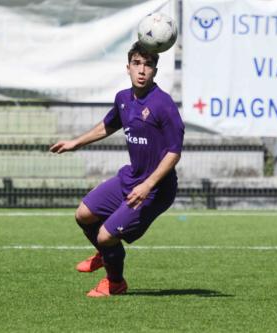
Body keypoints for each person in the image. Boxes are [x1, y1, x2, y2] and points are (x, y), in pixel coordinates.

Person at [50, 42, 184, 297]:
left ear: (155, 70)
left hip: (156, 188)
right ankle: (106, 254)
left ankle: (115, 282)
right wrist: (76, 143)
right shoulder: (123, 98)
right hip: (131, 177)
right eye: (137, 64)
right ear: (128, 68)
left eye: (148, 65)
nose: (142, 70)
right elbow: (108, 125)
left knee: (105, 236)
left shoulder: (163, 104)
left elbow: (174, 153)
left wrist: (147, 186)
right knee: (83, 214)